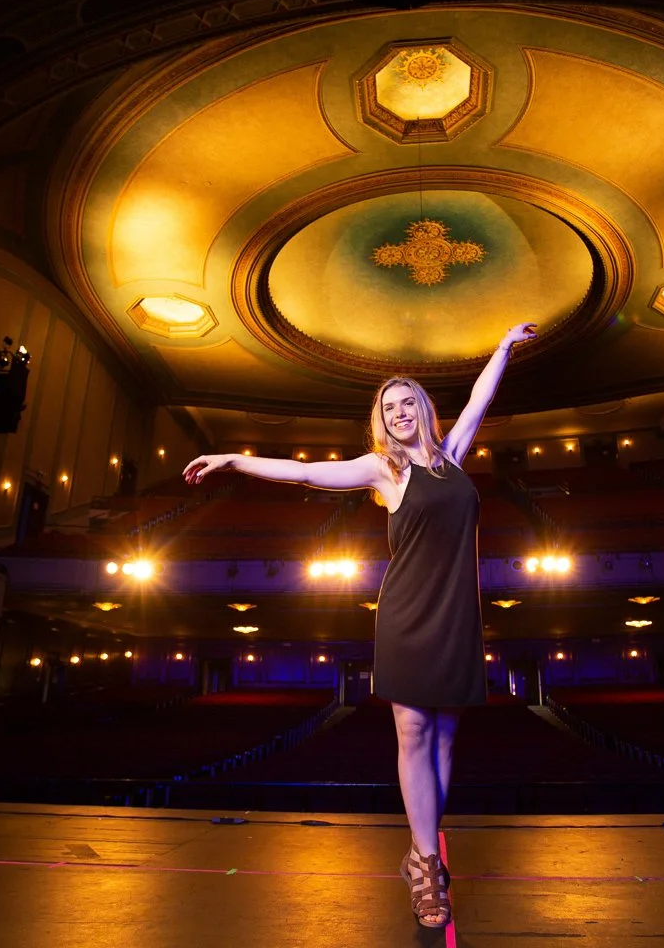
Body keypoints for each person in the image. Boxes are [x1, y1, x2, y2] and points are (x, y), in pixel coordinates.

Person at [183, 321, 538, 929]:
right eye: (389, 407)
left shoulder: (453, 456)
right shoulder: (383, 471)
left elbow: (480, 396)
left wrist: (502, 348)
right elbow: (305, 474)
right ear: (382, 420)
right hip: (405, 612)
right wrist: (235, 459)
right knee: (413, 733)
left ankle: (421, 845)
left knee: (447, 738)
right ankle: (427, 865)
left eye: (408, 403)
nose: (400, 413)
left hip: (456, 613)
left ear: (425, 410)